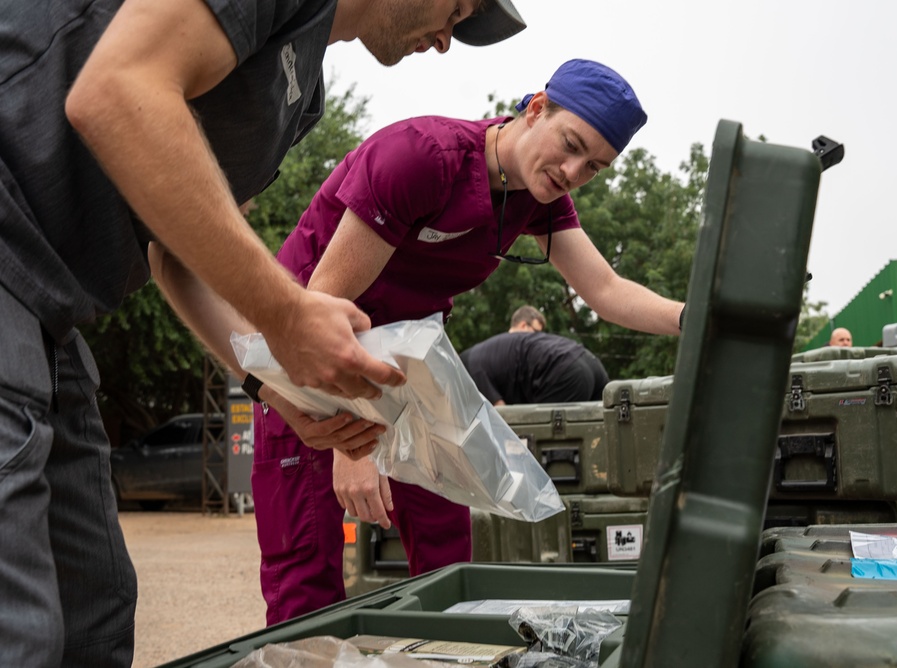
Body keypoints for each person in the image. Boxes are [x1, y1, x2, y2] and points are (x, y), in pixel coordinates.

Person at [0, 0, 525, 664]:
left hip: (56, 308)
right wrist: (286, 311)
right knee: (19, 631)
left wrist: (279, 394)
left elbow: (173, 254)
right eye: (457, 7)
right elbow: (118, 90)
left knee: (96, 617)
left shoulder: (300, 95)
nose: (449, 40)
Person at [222, 58, 687, 625]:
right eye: (570, 144)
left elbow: (607, 290)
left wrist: (696, 316)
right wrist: (349, 445)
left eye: (594, 167)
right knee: (307, 581)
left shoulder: (537, 201)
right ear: (536, 107)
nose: (572, 170)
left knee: (447, 539)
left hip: (406, 368)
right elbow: (322, 309)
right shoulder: (421, 157)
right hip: (309, 369)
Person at [461, 306, 611, 405]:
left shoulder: (476, 360)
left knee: (545, 441)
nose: (539, 338)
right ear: (523, 326)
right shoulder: (475, 361)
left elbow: (500, 416)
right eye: (537, 332)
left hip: (565, 371)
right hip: (591, 361)